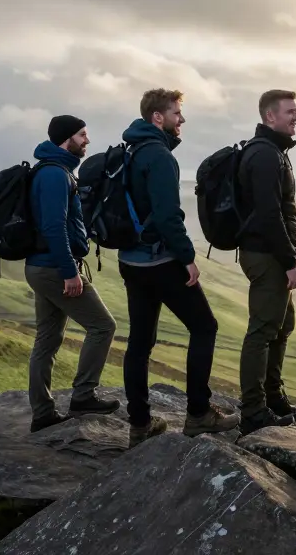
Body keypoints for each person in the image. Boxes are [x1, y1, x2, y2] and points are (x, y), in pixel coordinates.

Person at [117, 88, 239, 444]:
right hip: (160, 261)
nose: (181, 120)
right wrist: (187, 258)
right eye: (176, 113)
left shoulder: (132, 150)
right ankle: (199, 414)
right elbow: (169, 216)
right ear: (159, 117)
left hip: (130, 260)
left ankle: (140, 425)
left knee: (140, 342)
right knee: (205, 327)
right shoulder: (159, 156)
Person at [24, 115, 119, 433]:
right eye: (82, 135)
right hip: (53, 268)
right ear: (67, 139)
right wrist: (69, 273)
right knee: (103, 326)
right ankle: (83, 396)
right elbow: (53, 227)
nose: (87, 140)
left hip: (42, 265)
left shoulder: (54, 170)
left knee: (48, 339)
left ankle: (43, 414)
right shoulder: (54, 175)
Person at [235, 89, 296, 435]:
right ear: (269, 117)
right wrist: (290, 260)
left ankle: (273, 398)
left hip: (268, 253)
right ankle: (253, 410)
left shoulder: (273, 151)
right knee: (263, 331)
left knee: (282, 326)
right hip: (266, 255)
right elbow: (269, 214)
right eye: (290, 111)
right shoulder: (265, 155)